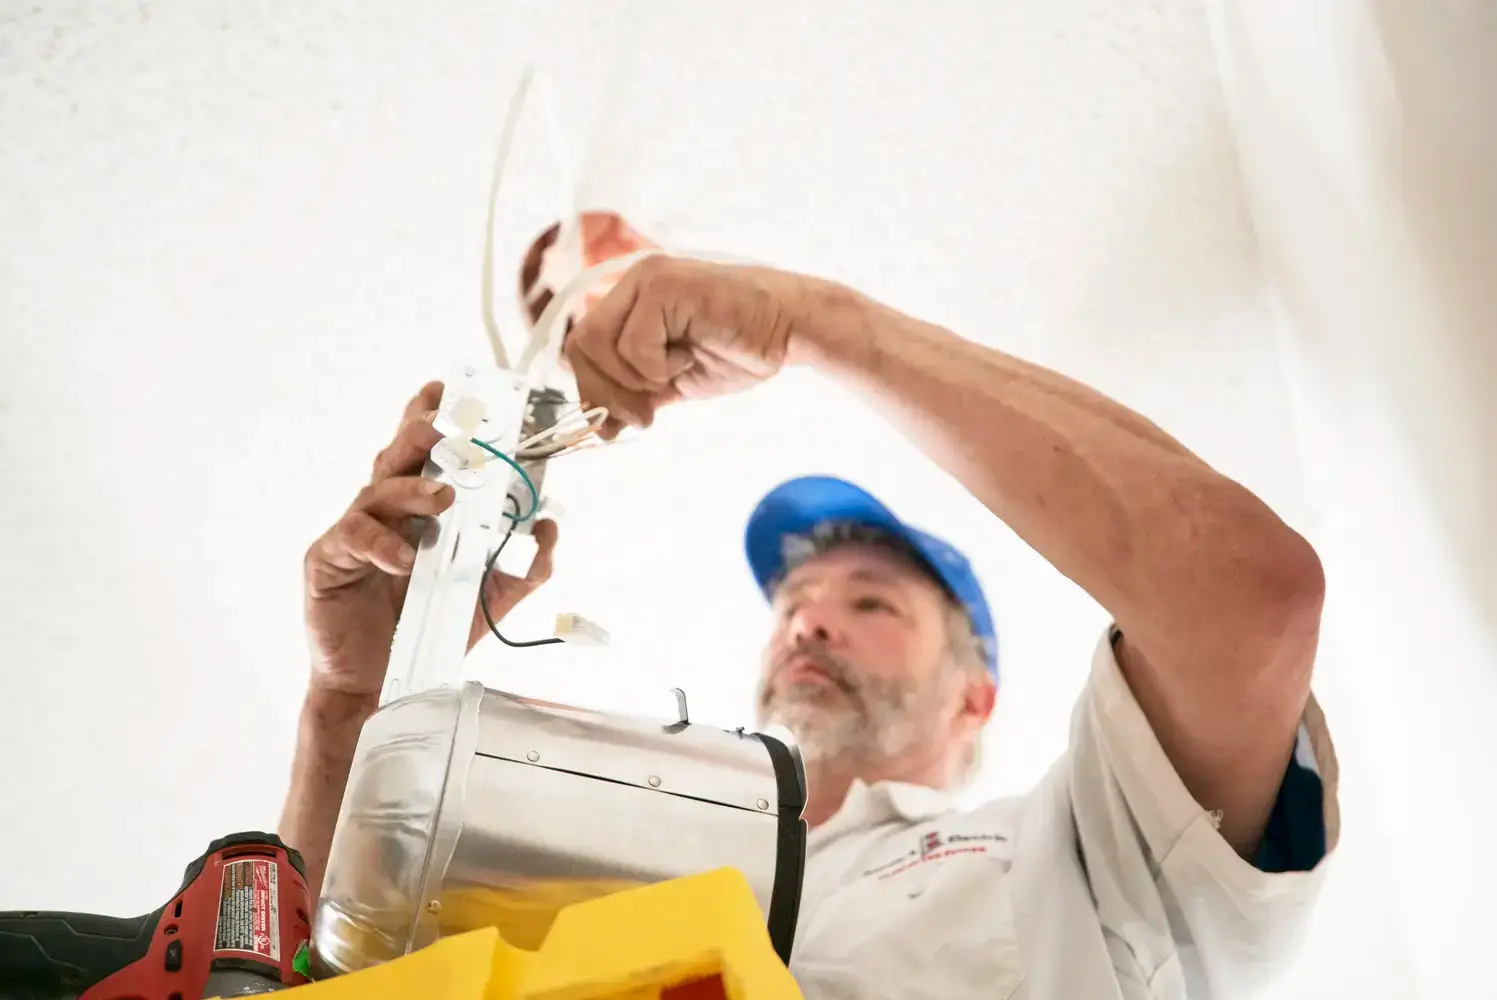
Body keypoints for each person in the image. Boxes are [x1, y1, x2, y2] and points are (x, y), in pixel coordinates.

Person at [281, 256, 1339, 1000]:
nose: (811, 622)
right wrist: (351, 717)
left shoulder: (1074, 856)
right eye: (793, 606)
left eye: (872, 602)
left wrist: (814, 322)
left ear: (978, 695)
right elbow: (301, 976)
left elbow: (1249, 597)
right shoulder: (590, 861)